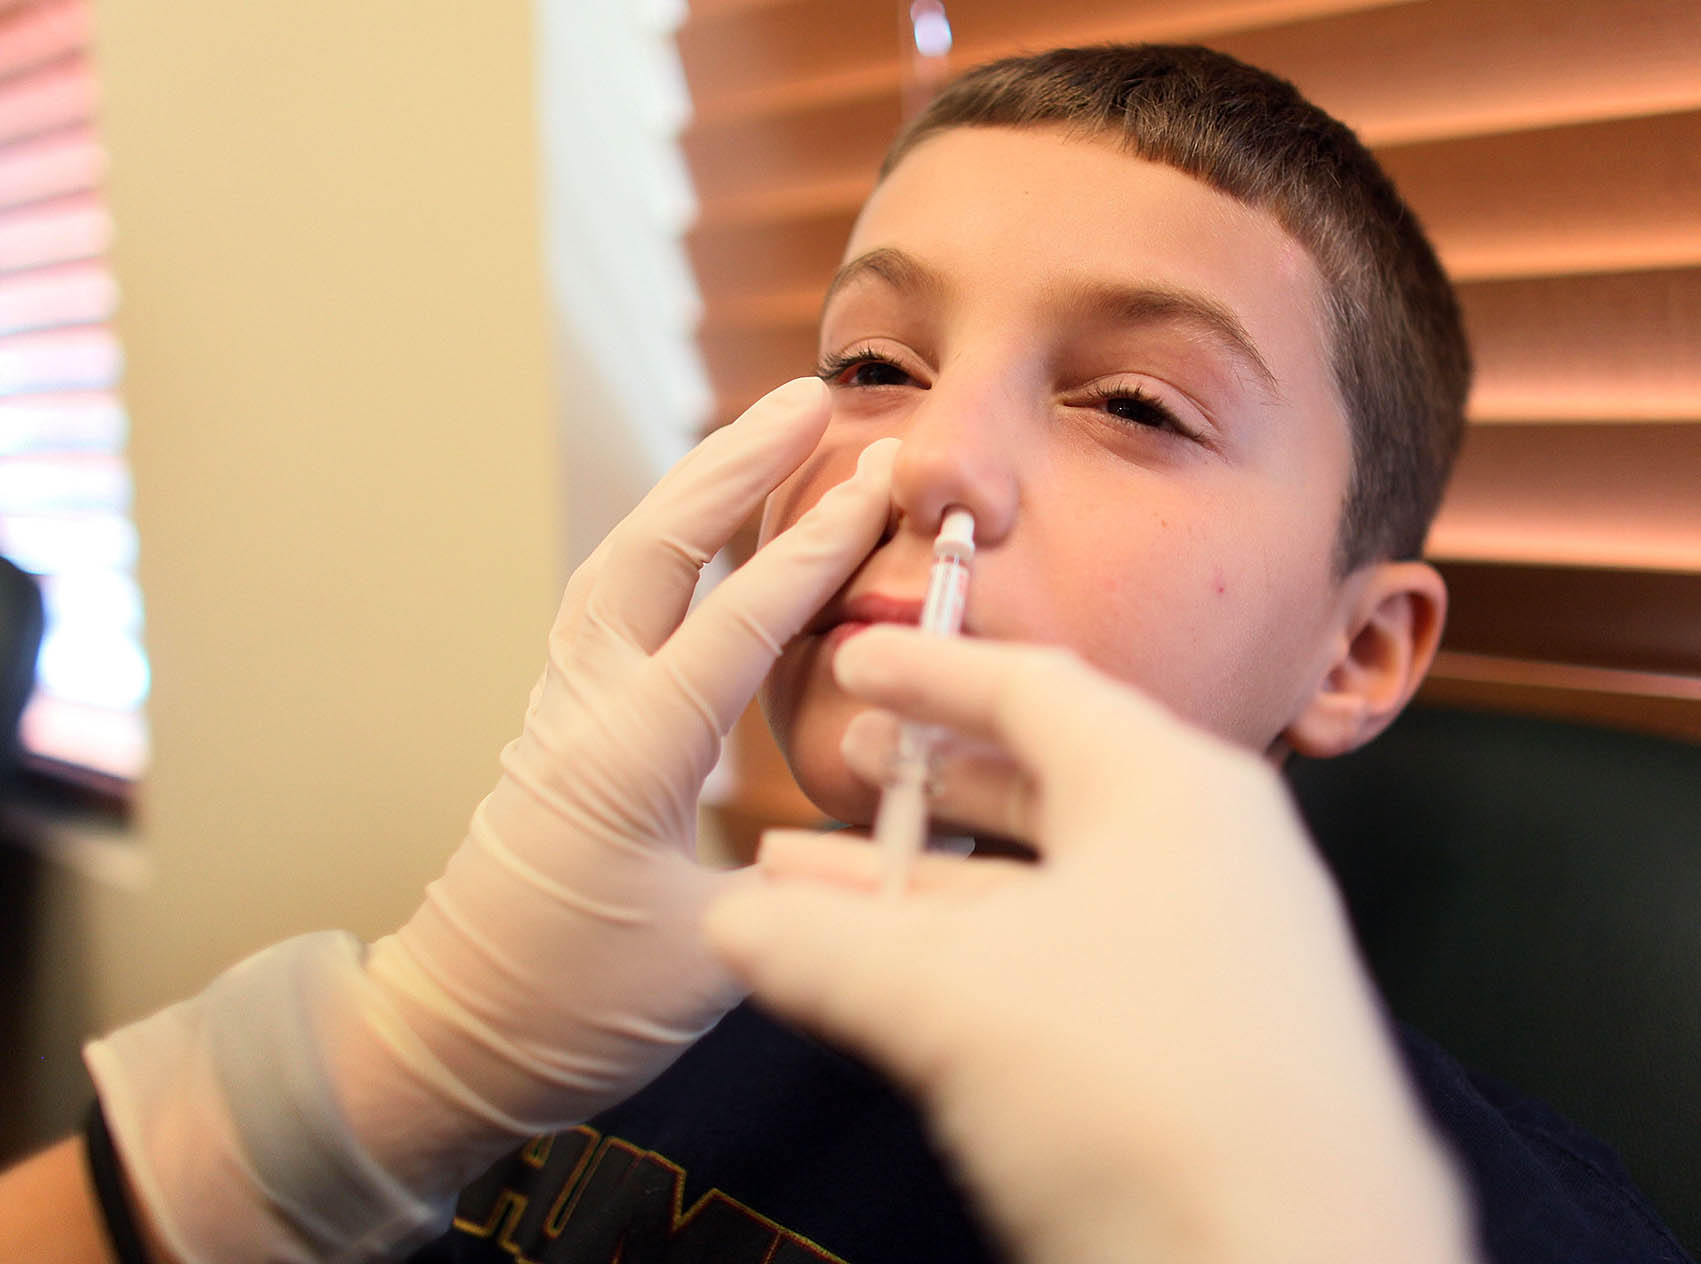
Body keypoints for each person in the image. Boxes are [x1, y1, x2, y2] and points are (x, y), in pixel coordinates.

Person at [0, 41, 1687, 1264]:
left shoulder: (1469, 1223)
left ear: (1359, 651)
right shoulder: (582, 1019)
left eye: (1133, 402)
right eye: (874, 367)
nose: (929, 462)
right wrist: (375, 1080)